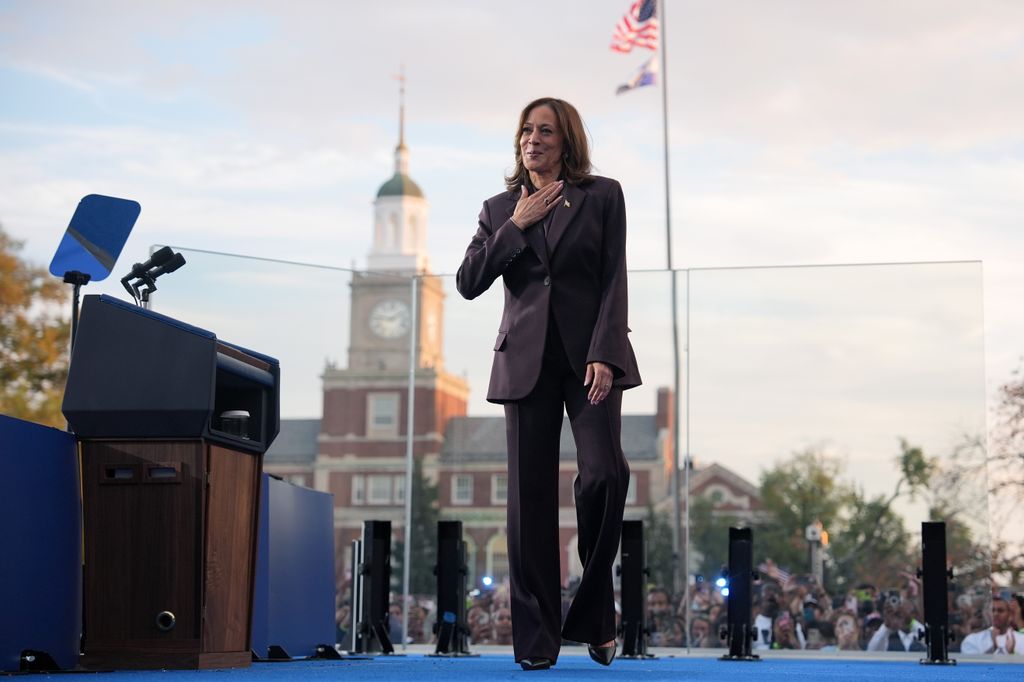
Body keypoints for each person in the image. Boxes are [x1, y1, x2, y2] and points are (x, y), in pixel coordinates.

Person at [457, 97, 641, 671]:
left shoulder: (602, 195)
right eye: (527, 130)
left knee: (605, 476)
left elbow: (614, 278)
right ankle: (536, 642)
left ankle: (595, 613)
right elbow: (468, 282)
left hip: (590, 360)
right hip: (525, 364)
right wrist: (517, 225)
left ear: (567, 143)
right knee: (528, 502)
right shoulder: (497, 209)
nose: (533, 139)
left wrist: (607, 355)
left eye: (546, 131)